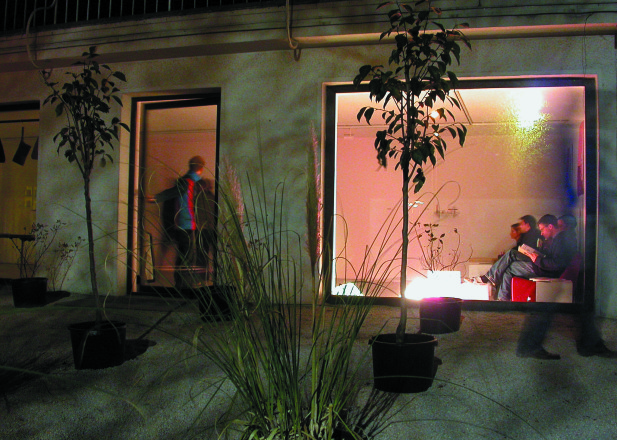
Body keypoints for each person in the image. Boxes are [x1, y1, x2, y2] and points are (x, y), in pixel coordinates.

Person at [466, 214, 577, 302]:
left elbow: (556, 264)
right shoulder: (557, 239)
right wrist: (539, 254)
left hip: (544, 270)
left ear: (550, 227)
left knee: (510, 260)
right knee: (510, 258)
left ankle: (493, 286)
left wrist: (537, 259)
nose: (542, 233)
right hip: (541, 265)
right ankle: (500, 297)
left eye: (543, 229)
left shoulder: (561, 240)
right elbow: (553, 258)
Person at [156, 155, 208, 289]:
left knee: (186, 255)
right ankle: (183, 285)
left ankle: (183, 283)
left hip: (185, 224)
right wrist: (156, 198)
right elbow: (172, 193)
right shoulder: (190, 182)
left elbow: (171, 193)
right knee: (187, 256)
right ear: (201, 168)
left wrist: (156, 198)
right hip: (187, 224)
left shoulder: (190, 182)